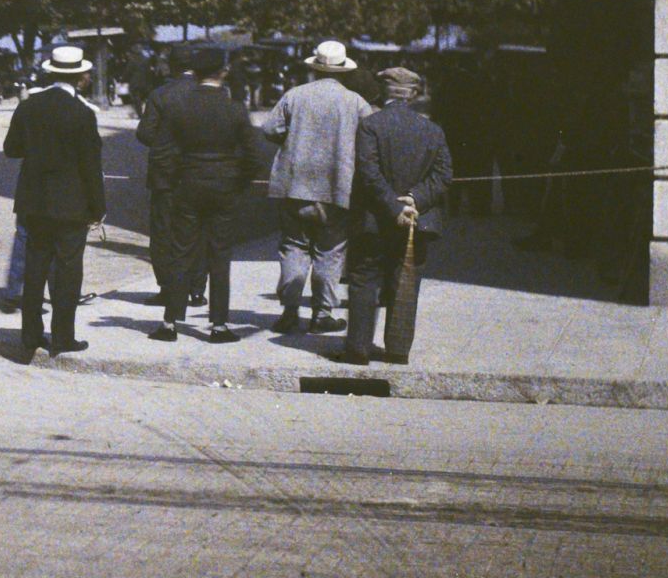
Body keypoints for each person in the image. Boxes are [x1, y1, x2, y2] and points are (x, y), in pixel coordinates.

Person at [140, 46, 265, 344]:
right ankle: (218, 325)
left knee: (182, 250)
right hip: (224, 185)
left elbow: (164, 150)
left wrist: (174, 179)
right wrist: (238, 182)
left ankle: (170, 322)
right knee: (220, 255)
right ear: (223, 72)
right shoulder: (235, 109)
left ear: (194, 73)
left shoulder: (178, 107)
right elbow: (254, 157)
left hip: (188, 184)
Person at [330, 66, 453, 366]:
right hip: (416, 220)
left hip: (374, 220)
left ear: (383, 92)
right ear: (413, 94)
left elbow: (369, 173)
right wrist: (415, 200)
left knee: (364, 279)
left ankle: (358, 349)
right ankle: (398, 350)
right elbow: (444, 174)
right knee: (405, 280)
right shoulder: (432, 130)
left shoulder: (371, 125)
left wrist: (393, 206)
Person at [263, 39, 376, 335]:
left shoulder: (294, 95)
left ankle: (289, 311)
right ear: (343, 71)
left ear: (314, 69)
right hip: (337, 187)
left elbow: (269, 129)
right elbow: (370, 140)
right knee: (330, 250)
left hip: (294, 185)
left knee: (293, 247)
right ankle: (322, 313)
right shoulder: (355, 102)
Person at [3, 44, 106, 359]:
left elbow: (11, 149)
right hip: (71, 203)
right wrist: (98, 207)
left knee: (35, 267)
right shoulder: (83, 113)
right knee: (68, 270)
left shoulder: (30, 106)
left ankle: (30, 334)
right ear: (79, 77)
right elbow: (91, 166)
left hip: (34, 201)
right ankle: (63, 336)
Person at [134, 47, 198, 312]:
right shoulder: (208, 95)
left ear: (170, 67)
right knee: (196, 229)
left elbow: (144, 133)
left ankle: (167, 287)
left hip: (165, 174)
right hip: (198, 172)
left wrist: (167, 144)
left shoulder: (159, 95)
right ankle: (197, 289)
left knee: (163, 232)